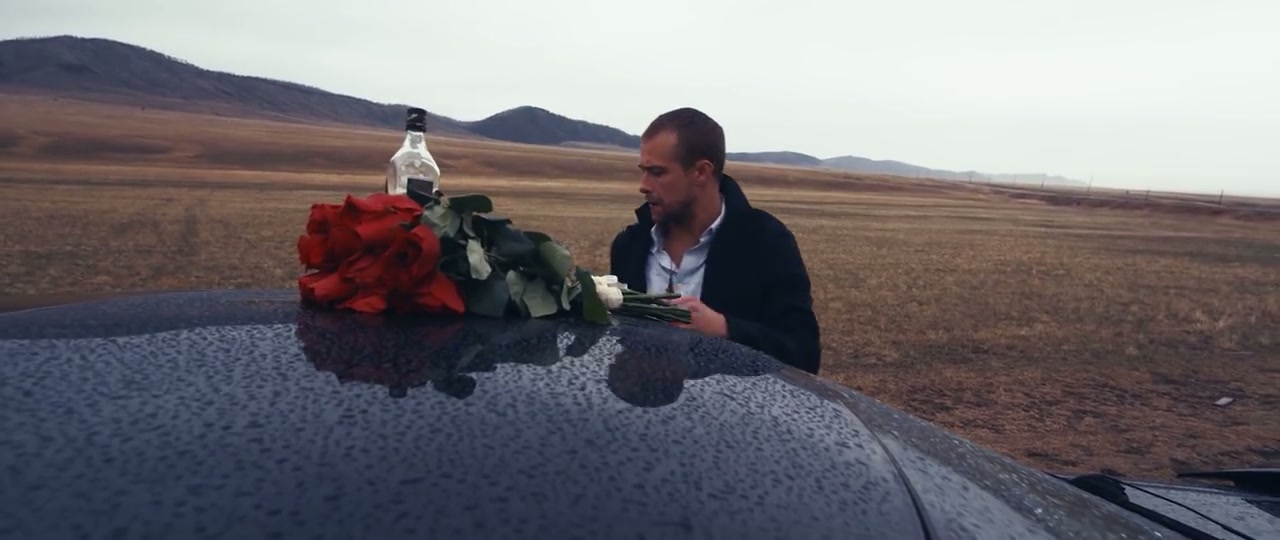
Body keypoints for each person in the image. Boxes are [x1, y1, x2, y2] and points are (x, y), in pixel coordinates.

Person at [609, 107, 822, 375]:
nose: (643, 185)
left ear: (701, 172)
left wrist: (724, 328)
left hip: (731, 403)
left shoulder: (767, 244)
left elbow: (803, 354)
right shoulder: (629, 247)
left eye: (657, 172)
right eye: (643, 171)